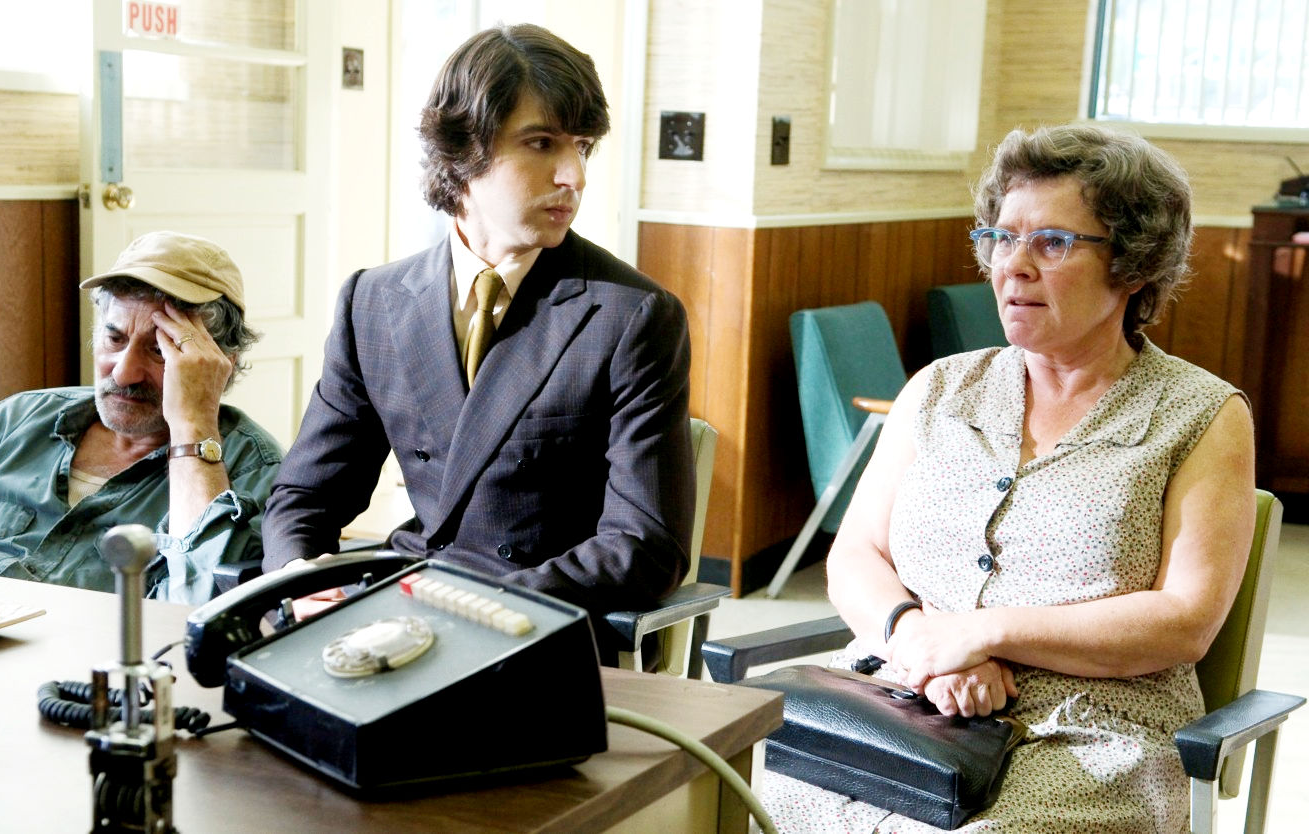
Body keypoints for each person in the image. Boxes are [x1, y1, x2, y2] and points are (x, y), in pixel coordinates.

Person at [763, 125, 1257, 832]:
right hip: (901, 702)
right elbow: (856, 555)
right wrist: (918, 642)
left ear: (1134, 265)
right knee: (738, 790)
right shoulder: (938, 389)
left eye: (1053, 243)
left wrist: (982, 633)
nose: (1012, 265)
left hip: (1089, 737)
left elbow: (1184, 622)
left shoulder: (1200, 414)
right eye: (1000, 236)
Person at [260, 24, 693, 637]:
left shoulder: (632, 316)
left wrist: (458, 604)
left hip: (533, 629)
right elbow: (305, 495)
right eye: (541, 143)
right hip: (397, 610)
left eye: (583, 146)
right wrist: (302, 577)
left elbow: (645, 545)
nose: (575, 174)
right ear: (462, 151)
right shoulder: (373, 302)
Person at [0, 231, 283, 604]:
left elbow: (194, 609)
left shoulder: (254, 471)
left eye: (159, 350)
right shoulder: (12, 422)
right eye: (115, 339)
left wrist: (193, 429)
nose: (123, 374)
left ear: (220, 365)